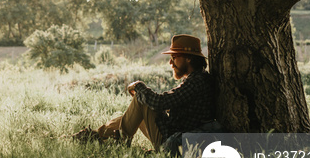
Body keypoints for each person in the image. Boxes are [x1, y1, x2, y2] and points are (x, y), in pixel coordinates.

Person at [73, 34, 216, 151]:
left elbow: (161, 102)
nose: (171, 63)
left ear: (188, 58)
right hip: (172, 133)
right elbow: (167, 101)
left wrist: (139, 86)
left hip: (171, 140)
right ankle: (99, 136)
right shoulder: (197, 79)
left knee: (143, 101)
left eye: (174, 57)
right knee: (141, 103)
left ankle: (106, 138)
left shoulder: (197, 82)